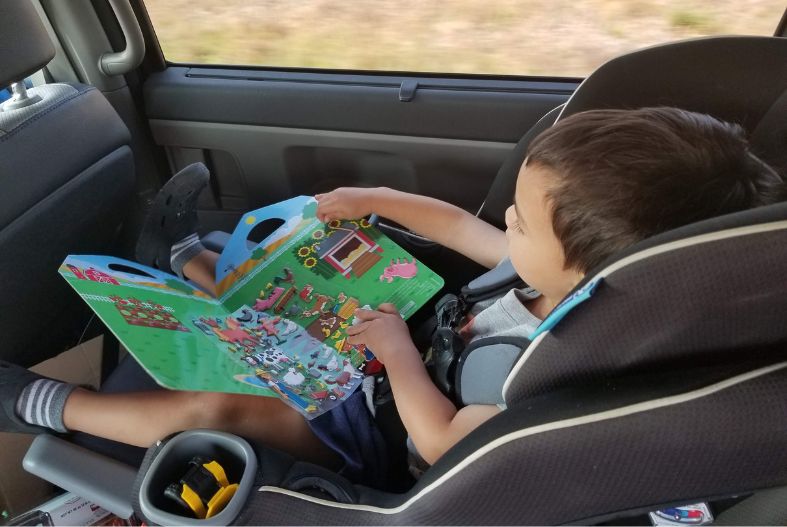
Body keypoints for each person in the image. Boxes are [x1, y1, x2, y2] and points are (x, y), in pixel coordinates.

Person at [1, 107, 783, 485]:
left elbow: (443, 440)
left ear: (588, 270)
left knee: (222, 407)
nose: (503, 220)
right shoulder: (547, 272)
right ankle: (185, 264)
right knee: (278, 297)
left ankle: (45, 404)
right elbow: (453, 222)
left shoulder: (548, 373)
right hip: (388, 360)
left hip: (380, 431)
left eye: (522, 220)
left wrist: (396, 354)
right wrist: (373, 196)